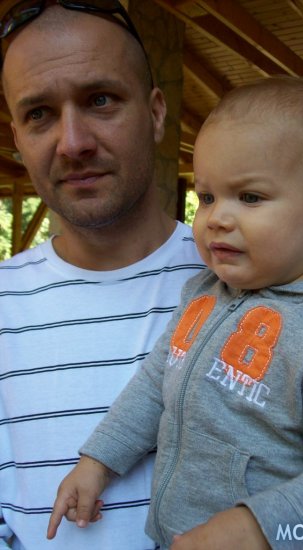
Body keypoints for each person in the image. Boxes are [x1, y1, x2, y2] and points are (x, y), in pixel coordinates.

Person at [47, 76, 303, 549]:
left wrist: (262, 527)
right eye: (207, 197)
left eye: (250, 197)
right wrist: (97, 462)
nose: (216, 217)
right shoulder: (203, 294)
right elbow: (155, 385)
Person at [0, 2, 204, 549]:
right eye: (39, 114)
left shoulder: (249, 284)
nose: (73, 142)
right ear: (18, 138)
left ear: (156, 113)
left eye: (100, 100)